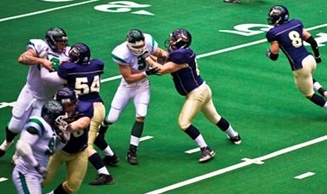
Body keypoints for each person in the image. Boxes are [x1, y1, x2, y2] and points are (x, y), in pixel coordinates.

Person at [146, 28, 241, 163]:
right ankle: (234, 135)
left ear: (180, 42)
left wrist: (145, 57)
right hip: (203, 89)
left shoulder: (181, 57)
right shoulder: (181, 53)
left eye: (173, 39)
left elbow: (161, 70)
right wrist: (150, 55)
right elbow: (164, 58)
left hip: (196, 93)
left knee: (184, 123)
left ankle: (205, 149)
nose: (171, 41)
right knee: (214, 117)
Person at [40, 43, 116, 185]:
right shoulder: (97, 64)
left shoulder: (70, 69)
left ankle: (105, 174)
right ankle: (111, 155)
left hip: (85, 109)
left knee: (86, 145)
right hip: (99, 105)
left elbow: (60, 74)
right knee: (92, 132)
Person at [99, 29, 167, 165]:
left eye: (141, 46)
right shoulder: (121, 53)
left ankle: (132, 150)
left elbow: (162, 54)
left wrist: (157, 62)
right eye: (136, 47)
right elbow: (129, 78)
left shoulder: (148, 41)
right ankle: (100, 132)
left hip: (142, 86)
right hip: (127, 86)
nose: (140, 49)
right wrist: (148, 72)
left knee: (141, 115)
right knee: (112, 118)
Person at [0, 27, 70, 160]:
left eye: (63, 41)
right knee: (15, 125)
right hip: (30, 91)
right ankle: (6, 143)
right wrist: (41, 60)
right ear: (51, 41)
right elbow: (22, 58)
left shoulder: (69, 53)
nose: (63, 44)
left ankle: (18, 155)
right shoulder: (40, 46)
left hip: (47, 99)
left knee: (33, 129)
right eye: (59, 41)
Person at [265, 5, 327, 121]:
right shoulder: (296, 23)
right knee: (308, 77)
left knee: (309, 94)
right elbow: (312, 40)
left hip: (299, 65)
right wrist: (317, 56)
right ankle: (324, 92)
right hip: (309, 58)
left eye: (273, 16)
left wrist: (268, 54)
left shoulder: (273, 33)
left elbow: (275, 55)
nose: (271, 18)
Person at [42, 86, 93, 194]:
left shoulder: (85, 107)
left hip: (80, 151)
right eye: (64, 106)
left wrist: (68, 128)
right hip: (58, 151)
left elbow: (84, 122)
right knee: (42, 180)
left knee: (72, 186)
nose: (68, 108)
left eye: (70, 105)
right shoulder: (52, 111)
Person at [12, 100, 67, 194]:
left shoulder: (51, 130)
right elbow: (22, 146)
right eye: (60, 118)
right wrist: (37, 166)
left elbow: (51, 152)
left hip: (34, 175)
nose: (61, 121)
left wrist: (64, 141)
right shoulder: (39, 123)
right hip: (25, 173)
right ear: (52, 116)